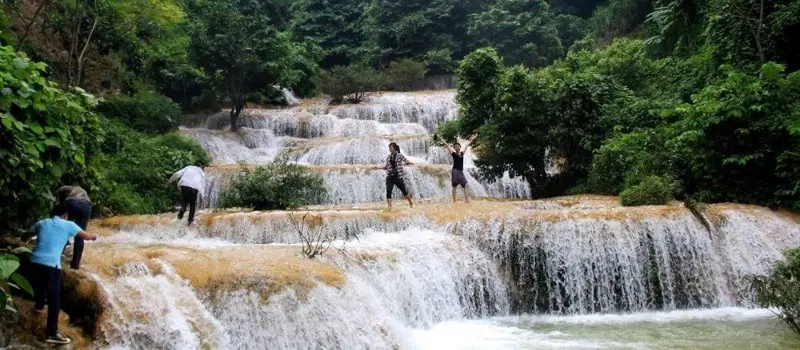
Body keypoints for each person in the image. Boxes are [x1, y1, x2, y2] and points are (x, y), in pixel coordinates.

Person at [30, 204, 98, 345]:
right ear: (66, 214)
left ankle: (39, 305)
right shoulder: (69, 225)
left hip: (34, 261)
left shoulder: (42, 223)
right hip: (51, 264)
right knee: (55, 298)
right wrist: (94, 236)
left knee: (39, 285)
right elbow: (86, 236)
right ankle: (52, 333)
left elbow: (28, 233)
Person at [55, 185, 92, 269]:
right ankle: (75, 264)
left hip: (72, 203)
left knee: (66, 230)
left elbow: (59, 205)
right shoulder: (79, 190)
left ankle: (57, 255)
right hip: (86, 205)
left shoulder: (63, 189)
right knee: (79, 235)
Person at [440, 134, 478, 203]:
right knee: (454, 186)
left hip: (461, 171)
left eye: (458, 146)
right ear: (454, 148)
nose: (457, 147)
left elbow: (467, 145)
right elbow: (447, 145)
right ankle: (454, 201)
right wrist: (442, 140)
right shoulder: (453, 154)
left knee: (465, 184)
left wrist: (473, 139)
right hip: (455, 170)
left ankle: (467, 200)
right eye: (455, 146)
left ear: (460, 147)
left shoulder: (462, 153)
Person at [380, 142, 414, 210]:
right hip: (390, 177)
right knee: (388, 191)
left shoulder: (400, 155)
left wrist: (410, 163)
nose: (389, 149)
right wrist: (382, 168)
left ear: (394, 148)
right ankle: (389, 207)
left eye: (390, 147)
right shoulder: (388, 157)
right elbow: (387, 166)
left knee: (404, 192)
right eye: (389, 147)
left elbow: (406, 161)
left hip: (398, 177)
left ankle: (411, 203)